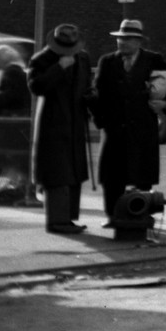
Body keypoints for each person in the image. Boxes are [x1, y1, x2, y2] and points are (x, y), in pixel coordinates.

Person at [89, 19, 166, 233]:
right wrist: (100, 119)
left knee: (142, 174)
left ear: (138, 42)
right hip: (114, 129)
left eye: (127, 39)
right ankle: (112, 215)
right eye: (120, 39)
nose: (122, 43)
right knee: (113, 177)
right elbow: (96, 94)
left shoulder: (153, 60)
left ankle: (142, 214)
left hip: (142, 128)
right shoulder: (107, 61)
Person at [27, 25, 93, 235]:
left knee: (74, 171)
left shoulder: (82, 58)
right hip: (53, 124)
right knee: (57, 174)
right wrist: (59, 68)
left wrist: (91, 101)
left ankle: (69, 218)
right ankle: (56, 221)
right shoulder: (41, 59)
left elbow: (87, 85)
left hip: (75, 122)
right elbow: (36, 87)